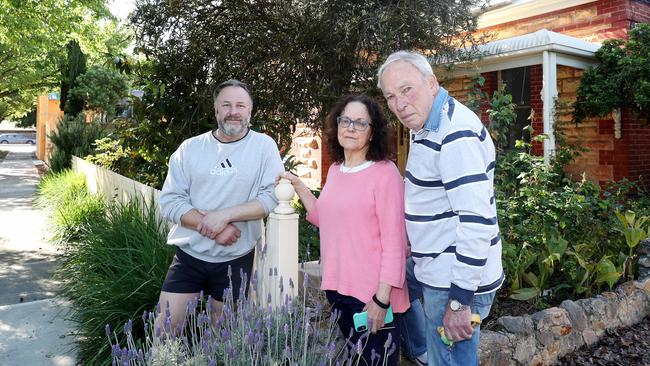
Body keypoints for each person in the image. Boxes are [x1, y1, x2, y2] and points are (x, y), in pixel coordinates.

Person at [377, 50, 505, 365]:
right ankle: (418, 349)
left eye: (407, 90)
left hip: (452, 281)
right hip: (434, 263)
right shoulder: (429, 123)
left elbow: (476, 222)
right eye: (391, 96)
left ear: (432, 84)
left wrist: (460, 303)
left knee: (448, 359)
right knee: (394, 280)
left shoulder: (455, 134)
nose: (399, 104)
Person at [279, 95, 409, 365]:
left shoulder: (385, 174)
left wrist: (381, 301)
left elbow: (395, 243)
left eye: (360, 123)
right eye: (345, 120)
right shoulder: (338, 170)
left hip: (371, 296)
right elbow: (325, 218)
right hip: (338, 290)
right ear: (336, 125)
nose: (351, 127)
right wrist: (299, 186)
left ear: (373, 132)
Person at [156, 79, 284, 329]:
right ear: (215, 109)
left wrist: (225, 215)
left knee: (224, 338)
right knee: (164, 328)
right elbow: (170, 201)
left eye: (240, 105)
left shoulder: (264, 146)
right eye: (226, 105)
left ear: (250, 111)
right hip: (189, 256)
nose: (233, 111)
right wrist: (215, 226)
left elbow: (271, 196)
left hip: (236, 258)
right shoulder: (190, 149)